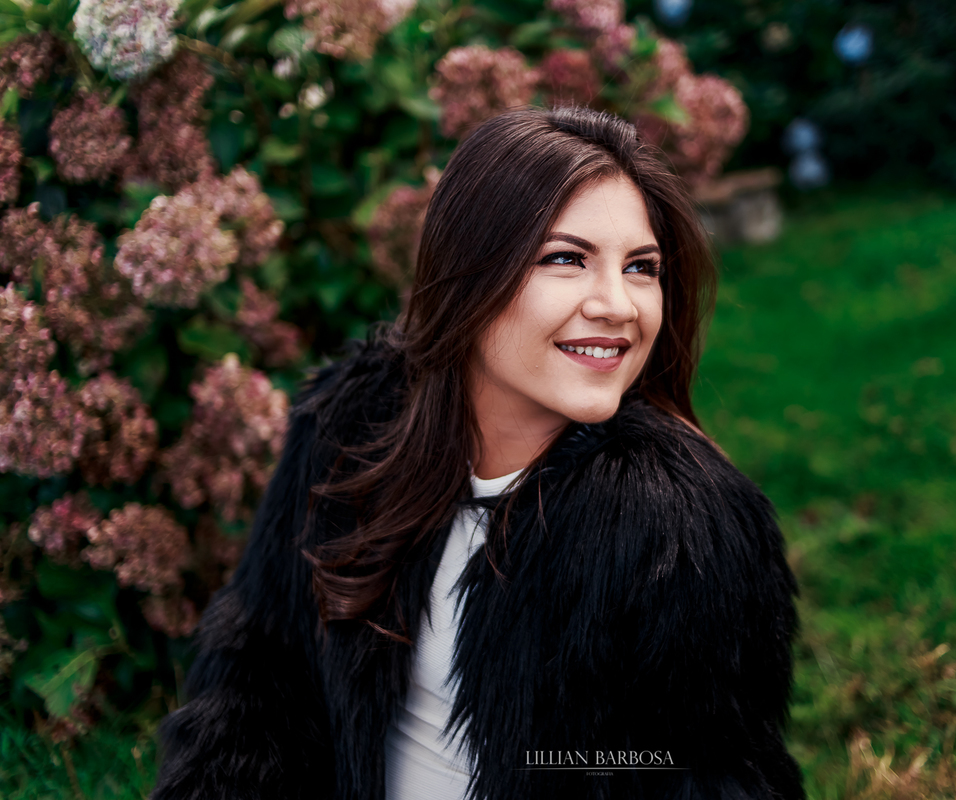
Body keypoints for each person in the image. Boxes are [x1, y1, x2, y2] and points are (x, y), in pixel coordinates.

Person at [150, 106, 804, 800]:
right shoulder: (349, 433)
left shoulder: (678, 526)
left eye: (642, 267)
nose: (618, 305)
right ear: (469, 272)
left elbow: (694, 777)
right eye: (566, 259)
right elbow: (256, 684)